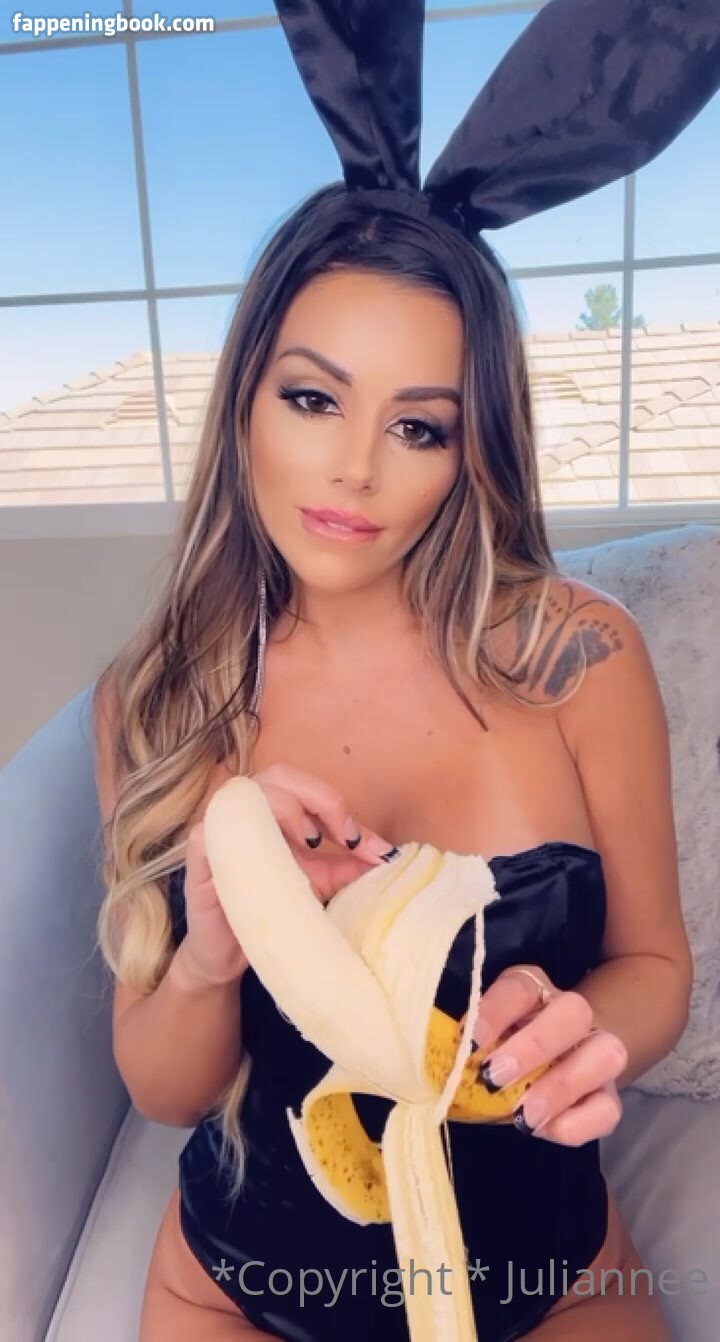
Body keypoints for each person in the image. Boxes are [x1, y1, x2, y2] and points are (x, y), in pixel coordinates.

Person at [91, 2, 720, 1338]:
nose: (356, 468)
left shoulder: (580, 656)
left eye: (419, 425)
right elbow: (161, 1085)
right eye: (314, 398)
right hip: (243, 1286)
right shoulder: (159, 698)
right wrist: (207, 957)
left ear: (472, 445)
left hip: (554, 1278)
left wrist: (577, 1019)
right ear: (246, 400)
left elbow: (656, 965)